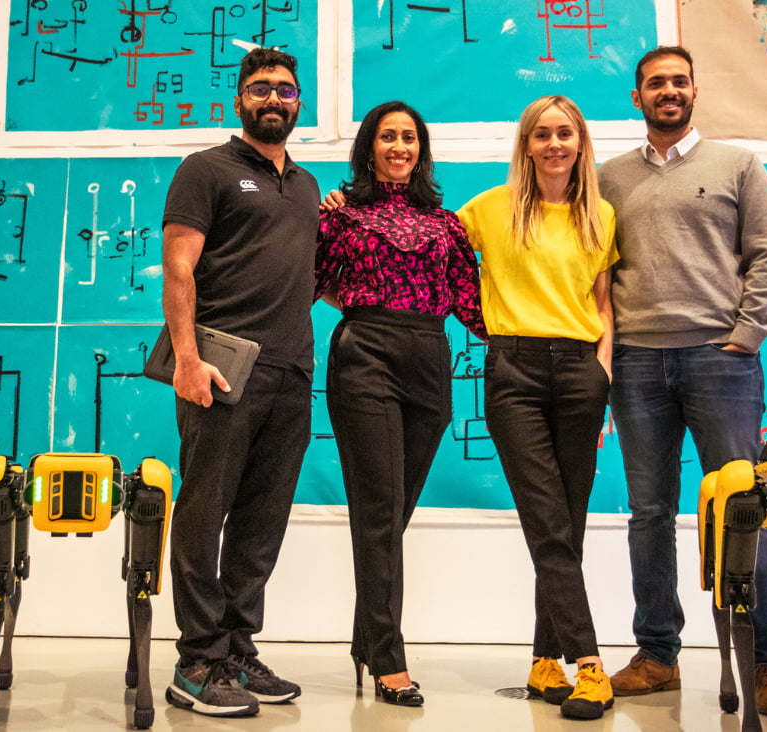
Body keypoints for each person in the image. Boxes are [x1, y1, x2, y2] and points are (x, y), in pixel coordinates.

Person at [597, 46, 767, 717]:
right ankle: (657, 654)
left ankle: (765, 663)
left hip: (722, 361)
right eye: (656, 83)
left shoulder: (738, 164)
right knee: (649, 514)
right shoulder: (608, 179)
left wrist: (747, 333)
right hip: (636, 364)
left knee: (744, 509)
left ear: (694, 91)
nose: (669, 91)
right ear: (637, 97)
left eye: (680, 81)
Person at [160, 47, 318, 718]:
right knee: (204, 515)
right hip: (224, 369)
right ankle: (197, 659)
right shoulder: (206, 170)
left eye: (285, 90)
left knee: (261, 523)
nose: (274, 100)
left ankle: (236, 649)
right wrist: (188, 362)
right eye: (261, 90)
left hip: (292, 374)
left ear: (299, 104)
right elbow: (178, 269)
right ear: (239, 102)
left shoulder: (308, 186)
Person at [315, 100, 487, 707]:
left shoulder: (446, 224)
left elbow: (472, 304)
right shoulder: (340, 215)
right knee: (381, 508)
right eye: (387, 137)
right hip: (365, 356)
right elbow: (302, 281)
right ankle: (389, 655)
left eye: (408, 138)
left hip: (429, 361)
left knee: (390, 512)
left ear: (421, 150)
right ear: (368, 148)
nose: (399, 147)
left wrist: (546, 347)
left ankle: (366, 635)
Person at [456, 95, 618, 721]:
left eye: (565, 134)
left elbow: (604, 306)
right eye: (542, 134)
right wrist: (347, 204)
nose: (555, 144)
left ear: (580, 145)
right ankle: (591, 666)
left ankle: (545, 659)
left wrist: (602, 376)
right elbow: (424, 239)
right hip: (514, 372)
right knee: (547, 518)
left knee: (566, 521)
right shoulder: (492, 210)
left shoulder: (601, 214)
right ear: (526, 145)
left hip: (581, 372)